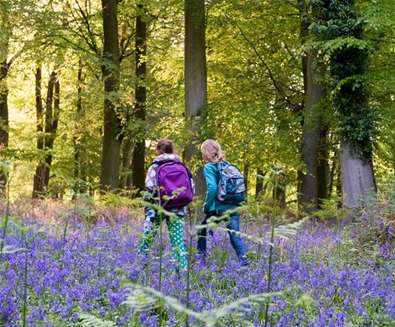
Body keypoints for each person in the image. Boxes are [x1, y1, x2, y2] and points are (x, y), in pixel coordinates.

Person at [138, 139, 193, 271]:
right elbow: (191, 187)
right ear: (172, 150)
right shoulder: (182, 165)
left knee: (148, 237)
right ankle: (182, 271)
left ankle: (139, 266)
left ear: (158, 151)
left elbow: (149, 186)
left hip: (157, 207)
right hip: (178, 208)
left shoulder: (155, 166)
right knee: (178, 241)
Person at [198, 139, 248, 266]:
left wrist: (206, 205)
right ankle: (245, 263)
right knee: (235, 236)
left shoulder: (209, 167)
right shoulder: (227, 165)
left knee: (202, 229)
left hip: (219, 208)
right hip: (234, 206)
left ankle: (201, 262)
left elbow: (213, 188)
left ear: (205, 153)